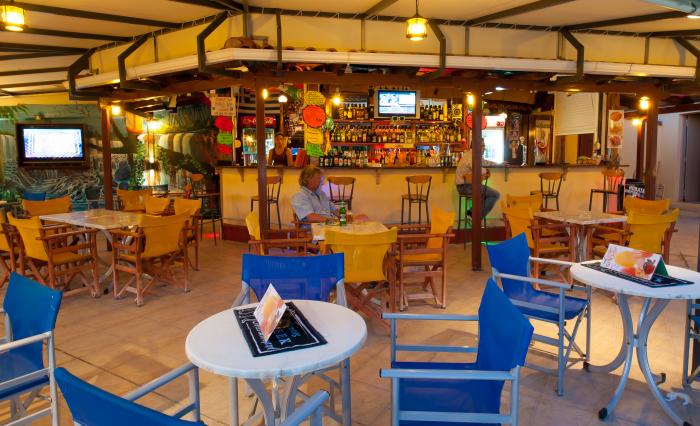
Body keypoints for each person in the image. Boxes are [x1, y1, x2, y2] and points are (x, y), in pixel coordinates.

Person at [292, 165, 368, 223]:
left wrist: (345, 217)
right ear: (309, 179)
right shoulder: (300, 196)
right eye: (319, 178)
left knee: (364, 217)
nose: (321, 182)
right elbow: (311, 217)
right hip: (315, 230)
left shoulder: (321, 194)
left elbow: (335, 210)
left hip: (329, 225)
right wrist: (334, 221)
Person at [455, 140, 500, 217]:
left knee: (487, 194)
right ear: (477, 146)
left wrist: (499, 164)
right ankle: (477, 217)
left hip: (467, 186)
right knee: (495, 194)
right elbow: (477, 168)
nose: (484, 148)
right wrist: (486, 171)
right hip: (465, 187)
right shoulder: (470, 156)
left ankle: (472, 212)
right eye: (482, 146)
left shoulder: (472, 155)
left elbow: (485, 162)